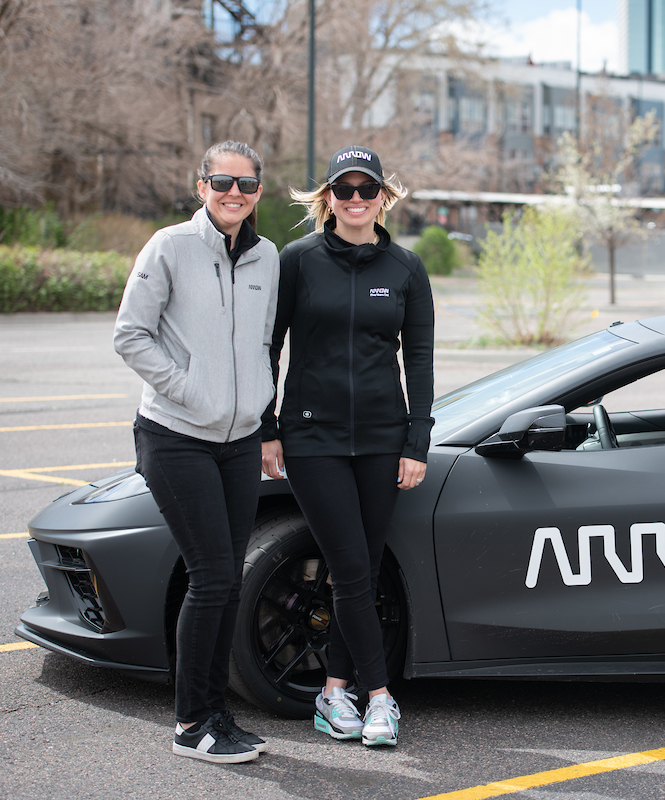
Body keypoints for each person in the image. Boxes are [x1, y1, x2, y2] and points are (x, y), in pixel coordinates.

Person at [260, 146, 434, 748]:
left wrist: (417, 439)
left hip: (384, 440)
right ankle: (381, 697)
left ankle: (334, 693)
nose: (356, 200)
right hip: (313, 438)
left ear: (385, 197)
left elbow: (419, 360)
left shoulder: (407, 267)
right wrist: (268, 426)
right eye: (345, 189)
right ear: (327, 198)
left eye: (368, 190)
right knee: (353, 566)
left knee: (354, 567)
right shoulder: (298, 260)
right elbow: (269, 347)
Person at [114, 141, 278, 764]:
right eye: (222, 181)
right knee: (211, 578)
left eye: (246, 183)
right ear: (201, 185)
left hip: (237, 442)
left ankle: (215, 714)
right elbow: (130, 333)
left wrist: (262, 418)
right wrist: (189, 389)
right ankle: (191, 724)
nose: (233, 192)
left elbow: (265, 342)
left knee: (227, 581)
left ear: (259, 191)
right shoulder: (169, 247)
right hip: (176, 435)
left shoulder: (267, 257)